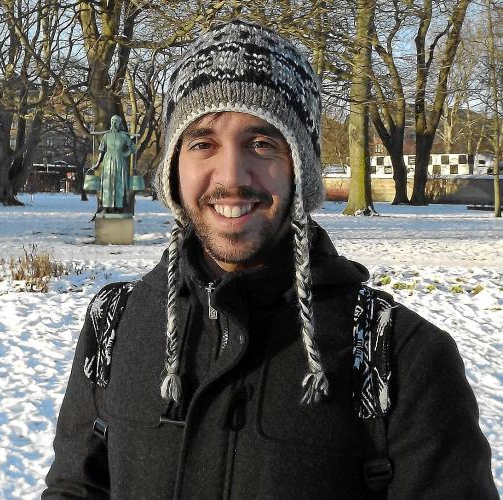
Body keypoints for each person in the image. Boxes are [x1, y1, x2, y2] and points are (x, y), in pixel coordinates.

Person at [43, 21, 497, 499]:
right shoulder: (113, 325)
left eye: (262, 144)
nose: (232, 176)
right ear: (174, 169)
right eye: (202, 143)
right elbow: (75, 487)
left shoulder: (401, 356)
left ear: (301, 170)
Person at [90, 115, 136, 213]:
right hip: (107, 161)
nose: (114, 124)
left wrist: (125, 153)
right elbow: (101, 151)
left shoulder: (123, 136)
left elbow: (133, 147)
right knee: (107, 183)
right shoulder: (106, 136)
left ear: (119, 124)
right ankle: (106, 206)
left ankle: (119, 206)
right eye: (112, 122)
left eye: (116, 122)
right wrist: (97, 164)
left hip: (120, 162)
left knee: (119, 183)